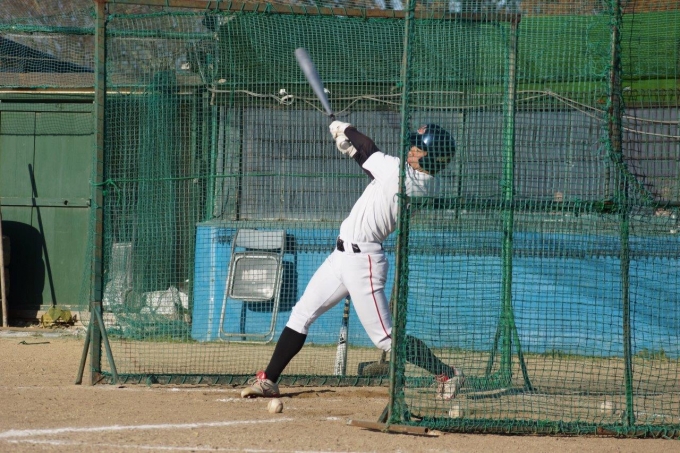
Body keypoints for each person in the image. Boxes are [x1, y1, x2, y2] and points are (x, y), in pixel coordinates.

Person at [241, 121, 464, 400]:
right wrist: (352, 149)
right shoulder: (406, 175)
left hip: (364, 262)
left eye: (418, 148)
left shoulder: (408, 178)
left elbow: (369, 150)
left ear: (431, 158)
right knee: (301, 314)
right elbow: (369, 160)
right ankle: (269, 380)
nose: (411, 149)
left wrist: (346, 130)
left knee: (385, 337)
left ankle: (447, 374)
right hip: (341, 256)